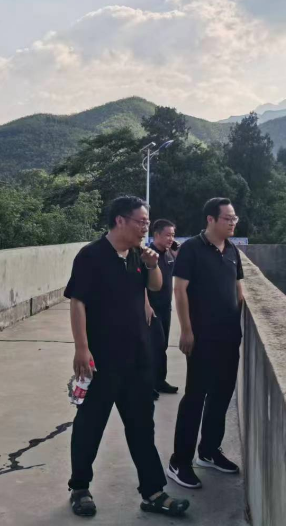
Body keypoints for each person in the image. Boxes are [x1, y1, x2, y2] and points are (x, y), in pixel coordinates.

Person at [66, 195, 190, 518]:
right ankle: (80, 488)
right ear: (120, 220)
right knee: (90, 425)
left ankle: (153, 492)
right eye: (141, 222)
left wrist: (152, 265)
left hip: (138, 359)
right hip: (102, 360)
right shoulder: (91, 256)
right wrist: (82, 348)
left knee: (141, 427)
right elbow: (77, 302)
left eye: (147, 223)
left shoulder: (138, 254)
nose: (145, 228)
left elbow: (156, 287)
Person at [167, 197, 245, 489]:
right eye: (228, 218)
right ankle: (179, 461)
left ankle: (209, 451)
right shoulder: (192, 249)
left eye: (234, 218)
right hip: (202, 338)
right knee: (195, 398)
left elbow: (239, 290)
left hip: (229, 337)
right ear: (211, 219)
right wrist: (186, 330)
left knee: (222, 396)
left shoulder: (232, 250)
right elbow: (180, 290)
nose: (233, 222)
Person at [147, 219, 180, 400]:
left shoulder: (169, 255)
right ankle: (149, 385)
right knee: (153, 347)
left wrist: (175, 249)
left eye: (173, 235)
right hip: (151, 308)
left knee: (163, 345)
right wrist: (146, 305)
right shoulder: (148, 255)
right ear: (156, 234)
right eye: (167, 235)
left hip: (165, 307)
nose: (171, 238)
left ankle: (160, 381)